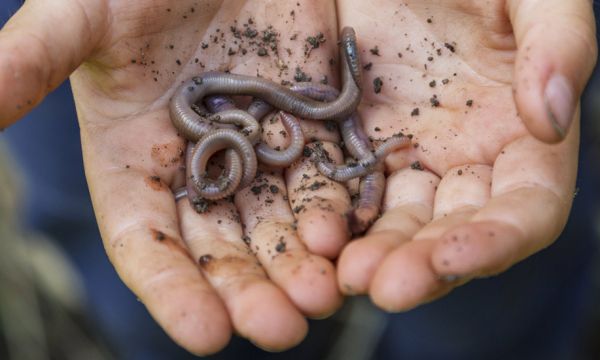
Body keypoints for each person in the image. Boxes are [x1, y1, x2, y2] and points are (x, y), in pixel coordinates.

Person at [0, 0, 597, 357]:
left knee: (476, 303)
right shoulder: (230, 130)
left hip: (229, 111)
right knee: (118, 245)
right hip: (164, 70)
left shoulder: (267, 119)